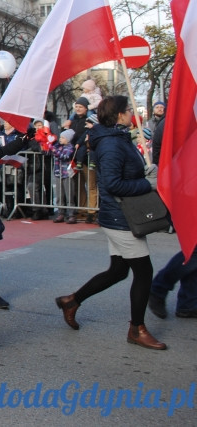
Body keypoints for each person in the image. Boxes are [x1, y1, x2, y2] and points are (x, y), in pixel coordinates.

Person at [55, 95, 165, 349]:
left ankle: (71, 301)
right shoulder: (111, 143)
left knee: (118, 271)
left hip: (120, 214)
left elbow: (122, 172)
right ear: (118, 115)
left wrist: (144, 172)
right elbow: (112, 183)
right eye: (128, 110)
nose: (131, 113)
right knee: (144, 272)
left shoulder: (116, 138)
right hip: (120, 216)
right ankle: (137, 329)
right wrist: (147, 183)